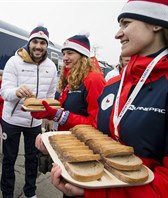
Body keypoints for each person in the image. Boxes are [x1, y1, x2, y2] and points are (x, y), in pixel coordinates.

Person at [50, 0, 168, 197]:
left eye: (126, 23)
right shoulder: (114, 84)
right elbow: (95, 135)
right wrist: (57, 145)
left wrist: (99, 193)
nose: (117, 34)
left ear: (156, 23)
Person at [0, 26, 57, 198]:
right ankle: (7, 193)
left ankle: (30, 192)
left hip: (35, 122)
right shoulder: (14, 61)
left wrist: (49, 117)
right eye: (35, 42)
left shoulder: (51, 66)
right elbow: (4, 92)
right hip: (12, 120)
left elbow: (50, 95)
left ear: (46, 45)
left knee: (32, 159)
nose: (38, 46)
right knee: (9, 159)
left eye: (42, 43)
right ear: (29, 43)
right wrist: (16, 92)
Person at [31, 33, 105, 149]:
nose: (65, 58)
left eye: (70, 53)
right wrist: (48, 113)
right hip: (67, 140)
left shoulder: (93, 79)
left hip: (83, 146)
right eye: (64, 53)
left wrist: (59, 116)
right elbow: (69, 110)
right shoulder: (71, 78)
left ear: (82, 56)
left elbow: (97, 123)